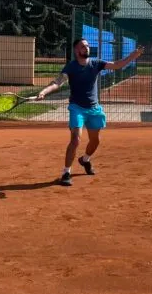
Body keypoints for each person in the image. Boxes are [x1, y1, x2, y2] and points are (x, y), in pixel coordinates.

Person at [34, 37, 143, 186]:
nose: (86, 48)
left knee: (95, 141)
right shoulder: (71, 67)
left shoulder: (96, 64)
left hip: (94, 108)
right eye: (83, 46)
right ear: (76, 50)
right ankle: (66, 172)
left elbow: (117, 65)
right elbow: (58, 82)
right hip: (77, 108)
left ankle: (85, 160)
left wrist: (133, 56)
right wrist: (44, 92)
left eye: (87, 46)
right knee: (75, 140)